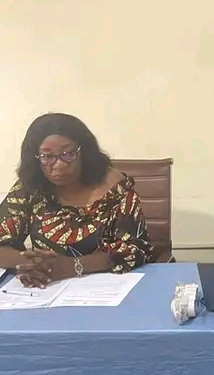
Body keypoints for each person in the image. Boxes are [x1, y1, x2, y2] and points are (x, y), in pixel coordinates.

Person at [0, 113, 153, 288]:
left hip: (105, 289)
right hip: (47, 290)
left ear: (84, 153)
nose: (59, 165)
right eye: (47, 157)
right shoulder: (30, 188)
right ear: (35, 158)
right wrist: (31, 264)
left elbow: (136, 249)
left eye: (68, 154)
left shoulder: (116, 191)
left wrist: (73, 266)